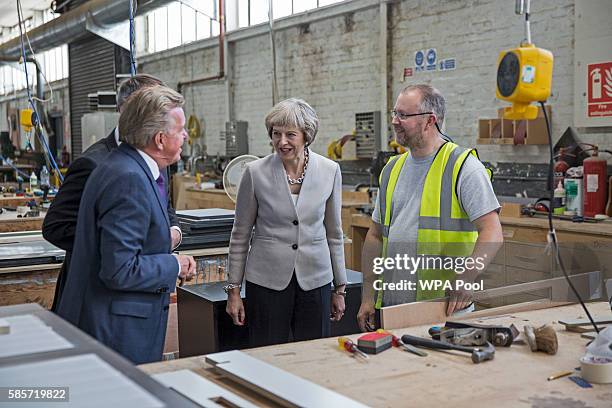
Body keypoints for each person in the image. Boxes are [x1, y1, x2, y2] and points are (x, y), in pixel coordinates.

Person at [55, 86, 196, 364]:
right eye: (180, 130)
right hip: (115, 331)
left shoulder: (128, 166)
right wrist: (174, 265)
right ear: (159, 139)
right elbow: (119, 270)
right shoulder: (128, 179)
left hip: (112, 323)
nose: (186, 136)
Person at [357, 84, 504, 332]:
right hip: (393, 306)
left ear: (429, 121)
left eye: (403, 115)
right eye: (395, 113)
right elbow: (375, 235)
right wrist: (368, 296)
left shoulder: (463, 166)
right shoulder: (392, 168)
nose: (394, 121)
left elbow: (493, 232)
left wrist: (467, 277)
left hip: (442, 309)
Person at [43, 74, 182, 312]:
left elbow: (164, 208)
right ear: (126, 109)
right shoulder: (94, 162)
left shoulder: (158, 157)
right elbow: (55, 227)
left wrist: (174, 233)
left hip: (137, 294)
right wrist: (116, 244)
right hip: (98, 300)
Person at [225, 98, 347, 347]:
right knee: (268, 355)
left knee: (314, 355)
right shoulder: (254, 172)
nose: (282, 142)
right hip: (266, 282)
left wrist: (340, 287)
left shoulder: (330, 170)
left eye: (290, 134)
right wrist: (234, 291)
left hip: (315, 280)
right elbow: (240, 235)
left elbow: (334, 233)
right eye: (276, 134)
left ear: (306, 136)